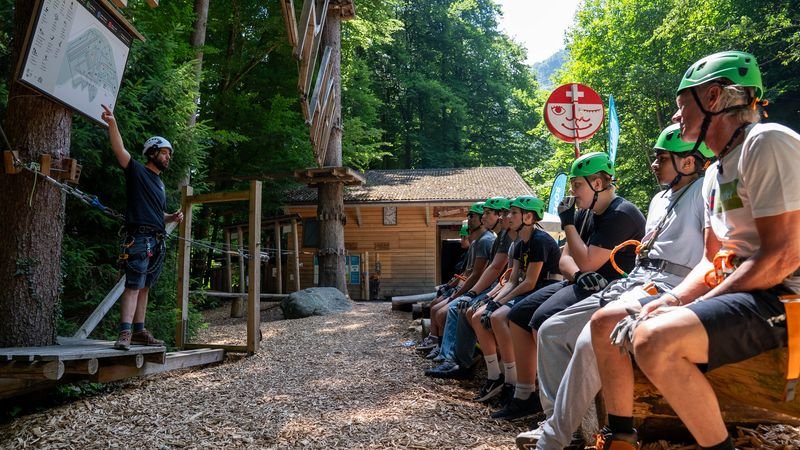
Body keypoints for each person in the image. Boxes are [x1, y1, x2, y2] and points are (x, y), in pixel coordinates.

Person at [592, 51, 800, 450]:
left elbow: (783, 256)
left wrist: (686, 309)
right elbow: (711, 258)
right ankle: (620, 438)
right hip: (747, 293)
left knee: (655, 340)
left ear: (714, 97)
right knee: (608, 323)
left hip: (783, 294)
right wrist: (668, 299)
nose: (675, 118)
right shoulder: (715, 172)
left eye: (681, 104)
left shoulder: (767, 143)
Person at [515, 124, 710, 449]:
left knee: (591, 337)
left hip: (671, 285)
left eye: (661, 157)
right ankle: (564, 429)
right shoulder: (660, 199)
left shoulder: (704, 192)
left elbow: (713, 253)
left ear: (687, 163)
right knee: (551, 330)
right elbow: (570, 259)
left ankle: (564, 436)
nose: (653, 164)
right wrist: (578, 273)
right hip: (639, 282)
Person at [497, 152, 646, 421]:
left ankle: (567, 411)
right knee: (517, 316)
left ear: (597, 184)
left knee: (542, 321)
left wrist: (568, 225)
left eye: (577, 185)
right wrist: (577, 275)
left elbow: (589, 261)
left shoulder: (621, 214)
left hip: (612, 287)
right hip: (582, 283)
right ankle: (525, 394)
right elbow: (565, 258)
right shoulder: (586, 214)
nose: (572, 192)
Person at [100, 104, 184, 350]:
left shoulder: (159, 183)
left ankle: (139, 330)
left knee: (145, 287)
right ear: (152, 152)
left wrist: (170, 218)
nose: (168, 157)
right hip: (138, 239)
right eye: (165, 153)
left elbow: (157, 213)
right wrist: (112, 123)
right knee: (134, 285)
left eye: (170, 154)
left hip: (156, 240)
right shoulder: (137, 171)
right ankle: (124, 333)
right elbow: (119, 150)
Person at [469, 196, 561, 405]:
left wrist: (499, 304)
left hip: (545, 287)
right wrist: (493, 301)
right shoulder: (519, 244)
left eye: (513, 213)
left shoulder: (540, 240)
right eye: (508, 213)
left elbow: (530, 282)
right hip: (527, 288)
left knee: (499, 317)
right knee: (482, 315)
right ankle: (496, 376)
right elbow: (512, 281)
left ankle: (512, 382)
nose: (507, 217)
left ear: (528, 217)